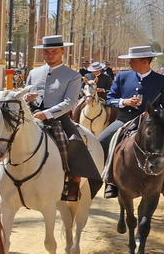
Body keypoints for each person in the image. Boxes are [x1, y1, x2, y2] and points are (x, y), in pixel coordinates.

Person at [7, 35, 104, 201]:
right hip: (31, 115)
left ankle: (72, 181)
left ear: (62, 52)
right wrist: (25, 98)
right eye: (47, 52)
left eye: (54, 52)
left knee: (73, 141)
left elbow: (70, 102)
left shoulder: (72, 75)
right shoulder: (33, 73)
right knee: (5, 134)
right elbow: (24, 94)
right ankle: (1, 171)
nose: (50, 55)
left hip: (58, 118)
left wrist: (47, 113)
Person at [98, 45, 164, 203]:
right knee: (102, 141)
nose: (129, 64)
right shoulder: (122, 77)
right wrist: (124, 101)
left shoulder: (162, 80)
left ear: (145, 61)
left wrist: (157, 114)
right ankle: (110, 179)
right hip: (125, 119)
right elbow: (109, 99)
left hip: (153, 123)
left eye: (132, 60)